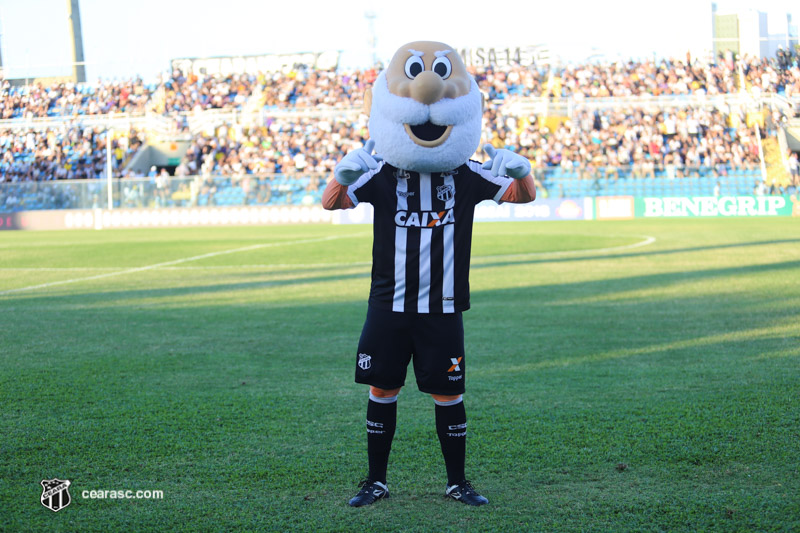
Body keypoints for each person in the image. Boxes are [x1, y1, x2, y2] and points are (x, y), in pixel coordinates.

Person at [322, 41, 536, 508]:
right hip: (389, 306)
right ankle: (375, 481)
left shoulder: (466, 173)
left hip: (442, 309)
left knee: (448, 394)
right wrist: (340, 175)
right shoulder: (379, 174)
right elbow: (332, 202)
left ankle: (457, 482)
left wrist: (524, 171)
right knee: (383, 389)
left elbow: (522, 196)